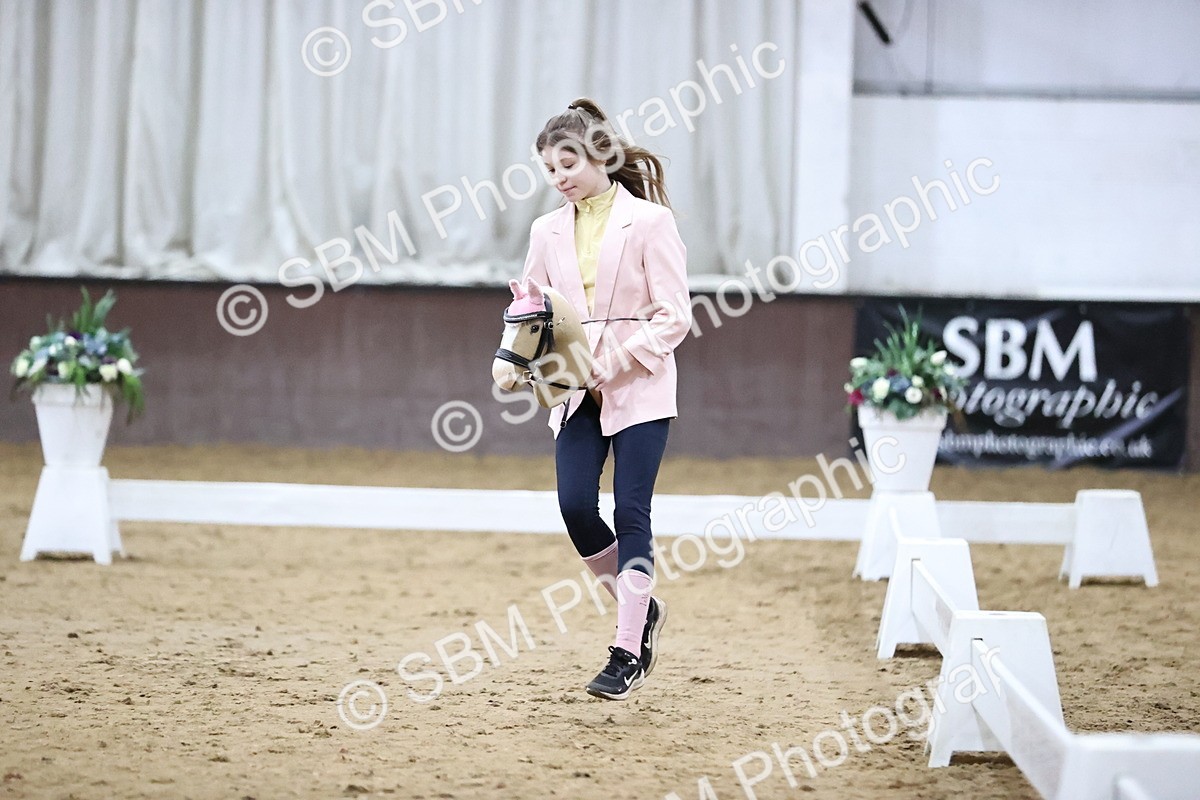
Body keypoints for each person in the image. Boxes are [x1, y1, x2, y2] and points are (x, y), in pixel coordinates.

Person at [519, 97, 691, 700]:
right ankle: (640, 610)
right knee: (573, 506)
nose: (560, 177)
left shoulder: (648, 222)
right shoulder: (545, 230)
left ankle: (625, 652)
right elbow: (532, 304)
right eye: (550, 170)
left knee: (632, 512)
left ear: (600, 155)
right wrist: (518, 358)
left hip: (639, 383)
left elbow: (676, 316)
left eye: (568, 163)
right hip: (574, 391)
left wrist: (612, 361)